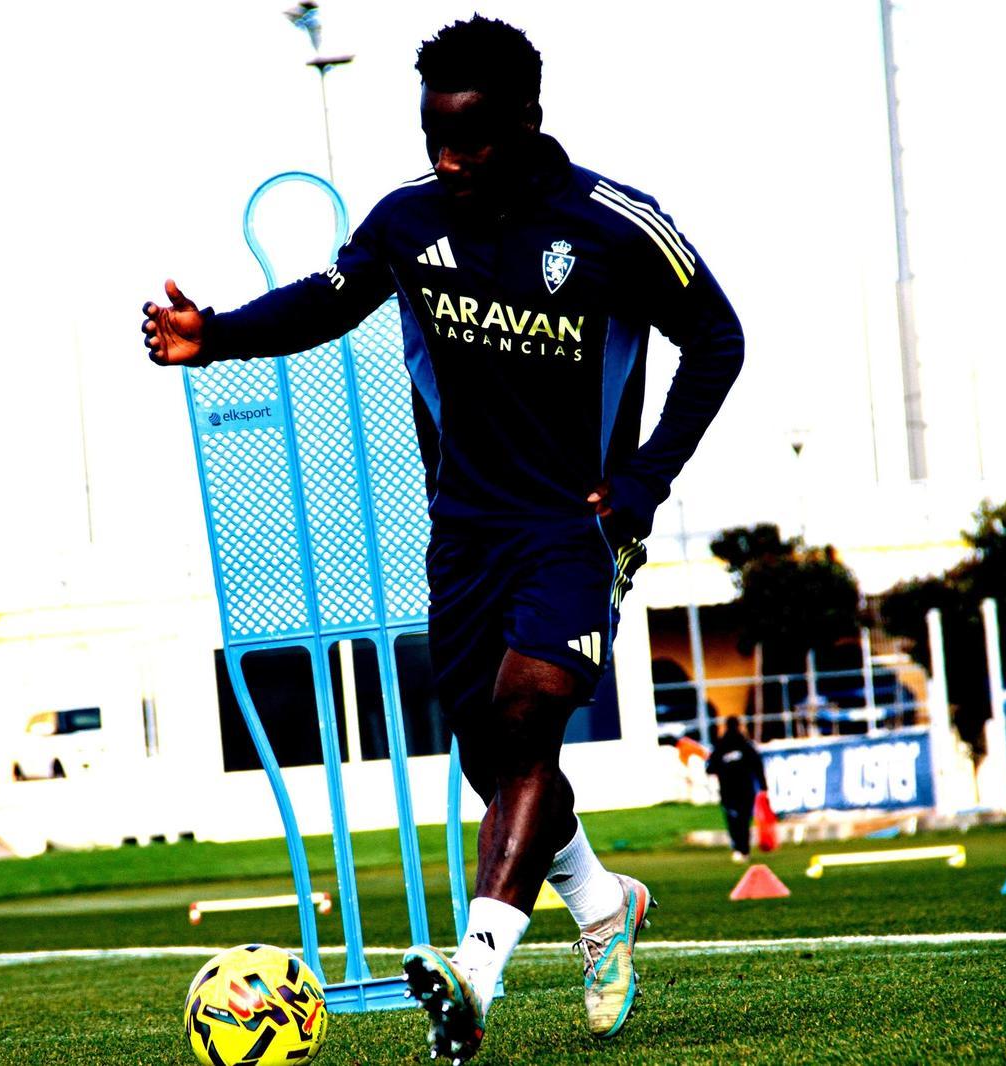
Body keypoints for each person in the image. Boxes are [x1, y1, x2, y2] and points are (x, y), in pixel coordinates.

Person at [142, 16, 743, 1063]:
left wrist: (644, 479)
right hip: (463, 534)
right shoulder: (410, 221)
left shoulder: (615, 225)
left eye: (469, 141)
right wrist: (219, 337)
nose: (448, 161)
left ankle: (473, 974)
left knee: (527, 719)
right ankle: (603, 904)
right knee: (488, 755)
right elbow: (330, 302)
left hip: (574, 526)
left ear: (525, 121)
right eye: (434, 140)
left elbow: (718, 340)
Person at [705, 716, 767, 862]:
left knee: (733, 821)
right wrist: (763, 786)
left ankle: (738, 848)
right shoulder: (746, 744)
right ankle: (744, 849)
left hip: (728, 791)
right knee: (744, 820)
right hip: (746, 789)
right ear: (739, 726)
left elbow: (710, 768)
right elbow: (758, 766)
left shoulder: (720, 746)